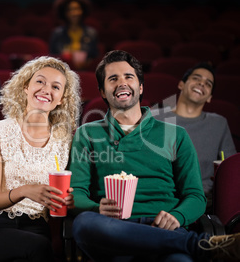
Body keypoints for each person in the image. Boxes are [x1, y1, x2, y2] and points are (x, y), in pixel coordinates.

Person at [68, 50, 240, 261]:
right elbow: (76, 193)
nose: (122, 83)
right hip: (113, 232)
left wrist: (176, 216)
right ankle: (201, 246)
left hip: (164, 229)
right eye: (113, 79)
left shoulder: (176, 134)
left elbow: (195, 196)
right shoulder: (87, 133)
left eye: (128, 77)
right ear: (103, 92)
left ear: (140, 87)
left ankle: (190, 246)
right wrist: (96, 207)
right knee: (84, 223)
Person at [0, 56, 81, 261]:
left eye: (56, 87)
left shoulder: (64, 139)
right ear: (25, 87)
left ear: (61, 99)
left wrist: (68, 200)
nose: (46, 89)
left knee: (36, 247)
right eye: (39, 81)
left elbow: (62, 195)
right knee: (38, 248)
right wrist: (25, 191)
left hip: (37, 226)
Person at [152, 62, 237, 213]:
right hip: (158, 195)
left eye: (208, 83)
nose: (201, 84)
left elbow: (230, 168)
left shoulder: (219, 123)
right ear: (181, 84)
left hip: (200, 200)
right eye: (196, 78)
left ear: (210, 97)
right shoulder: (155, 117)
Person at [49, 0, 99, 70]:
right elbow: (52, 57)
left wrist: (88, 63)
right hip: (62, 72)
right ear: (64, 13)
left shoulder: (92, 33)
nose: (74, 13)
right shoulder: (57, 33)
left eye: (77, 9)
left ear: (83, 10)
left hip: (85, 71)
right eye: (70, 10)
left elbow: (96, 57)